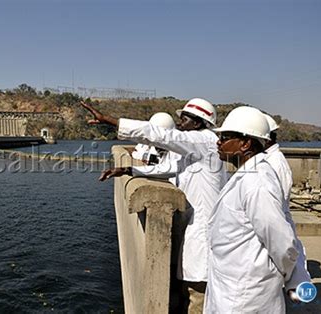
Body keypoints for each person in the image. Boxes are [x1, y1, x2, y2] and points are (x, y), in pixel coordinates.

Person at [82, 98, 228, 313]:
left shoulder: (202, 141)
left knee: (198, 298)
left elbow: (161, 135)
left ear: (198, 123)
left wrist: (110, 121)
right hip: (197, 234)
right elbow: (169, 168)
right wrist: (130, 170)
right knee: (192, 292)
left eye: (185, 120)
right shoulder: (197, 148)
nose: (180, 124)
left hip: (204, 239)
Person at [206, 106, 299, 313]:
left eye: (225, 137)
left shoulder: (257, 183)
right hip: (232, 290)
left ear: (246, 143)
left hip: (247, 297)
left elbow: (282, 243)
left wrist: (289, 276)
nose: (218, 142)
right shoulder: (247, 176)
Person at [263, 114, 311, 302]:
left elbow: (276, 204)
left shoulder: (275, 163)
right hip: (278, 224)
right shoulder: (269, 160)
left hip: (278, 223)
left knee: (290, 275)